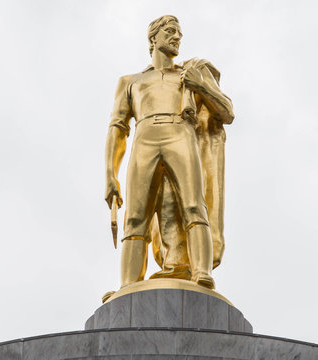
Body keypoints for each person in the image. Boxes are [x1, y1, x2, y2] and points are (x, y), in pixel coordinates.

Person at [104, 15, 234, 290]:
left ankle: (201, 273)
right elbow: (117, 128)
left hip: (181, 136)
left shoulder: (189, 76)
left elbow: (227, 112)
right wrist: (110, 176)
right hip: (145, 138)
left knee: (193, 206)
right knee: (136, 216)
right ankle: (129, 285)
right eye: (171, 31)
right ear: (153, 39)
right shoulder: (130, 81)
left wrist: (200, 85)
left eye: (179, 33)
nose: (177, 37)